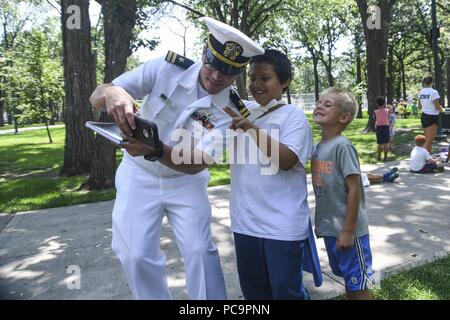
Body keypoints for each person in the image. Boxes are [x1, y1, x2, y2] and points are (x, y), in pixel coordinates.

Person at [89, 17, 264, 300]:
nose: (218, 76)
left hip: (185, 183)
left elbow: (198, 162)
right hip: (138, 175)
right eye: (215, 63)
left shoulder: (232, 111)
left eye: (230, 71)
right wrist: (112, 93)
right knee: (133, 254)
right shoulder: (165, 68)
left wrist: (156, 150)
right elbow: (97, 95)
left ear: (239, 74)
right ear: (203, 53)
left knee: (199, 251)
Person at [222, 49, 314, 299]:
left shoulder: (293, 116)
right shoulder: (241, 110)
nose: (256, 85)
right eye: (252, 78)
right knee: (254, 294)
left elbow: (286, 160)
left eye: (265, 78)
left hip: (281, 226)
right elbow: (211, 87)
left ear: (284, 82)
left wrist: (251, 129)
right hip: (245, 223)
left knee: (286, 293)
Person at [311, 87, 375, 300]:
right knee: (349, 280)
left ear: (344, 117)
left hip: (350, 232)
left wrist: (348, 230)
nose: (320, 105)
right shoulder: (319, 147)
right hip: (331, 230)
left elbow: (355, 188)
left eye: (327, 104)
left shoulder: (343, 146)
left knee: (358, 284)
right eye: (319, 102)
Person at [418, 75, 444, 152]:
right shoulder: (434, 92)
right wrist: (441, 109)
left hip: (424, 116)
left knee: (427, 140)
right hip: (432, 117)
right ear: (432, 82)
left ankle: (428, 158)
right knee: (428, 141)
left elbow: (419, 106)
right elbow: (437, 107)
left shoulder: (421, 91)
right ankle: (420, 158)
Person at [374, 96, 390, 162]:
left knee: (379, 143)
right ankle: (385, 157)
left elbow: (375, 119)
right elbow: (388, 115)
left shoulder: (375, 111)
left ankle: (378, 157)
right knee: (386, 143)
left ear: (377, 104)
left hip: (379, 127)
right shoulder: (387, 111)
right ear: (384, 103)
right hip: (386, 127)